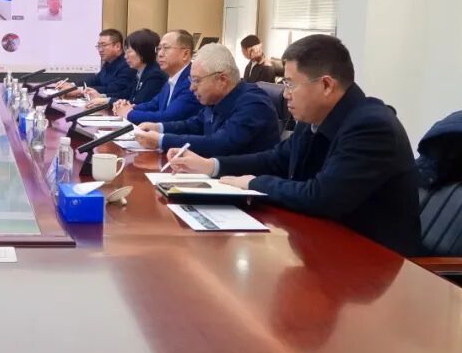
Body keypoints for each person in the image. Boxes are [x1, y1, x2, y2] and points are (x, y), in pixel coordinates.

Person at [168, 35, 421, 255]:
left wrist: (253, 183)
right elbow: (276, 159)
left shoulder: (371, 127)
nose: (285, 93)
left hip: (372, 261)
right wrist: (211, 166)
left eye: (290, 84)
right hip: (321, 242)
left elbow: (322, 197)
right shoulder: (313, 119)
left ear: (326, 85)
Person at [129, 43, 280, 156]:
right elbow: (194, 125)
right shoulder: (216, 99)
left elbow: (220, 143)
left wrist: (162, 140)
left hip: (245, 184)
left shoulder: (253, 104)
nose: (191, 87)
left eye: (197, 80)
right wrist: (159, 128)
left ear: (222, 79)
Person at [114, 29, 200, 125]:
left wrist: (129, 113)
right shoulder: (172, 78)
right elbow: (153, 104)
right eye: (159, 49)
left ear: (185, 54)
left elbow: (169, 117)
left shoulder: (192, 81)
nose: (160, 54)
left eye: (166, 48)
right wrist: (127, 107)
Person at [100, 29, 166, 109]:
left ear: (143, 52)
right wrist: (103, 97)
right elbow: (126, 94)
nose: (125, 56)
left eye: (129, 52)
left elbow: (138, 104)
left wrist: (107, 100)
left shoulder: (154, 76)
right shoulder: (140, 72)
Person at [60, 29, 132, 101]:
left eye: (104, 45)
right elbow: (95, 80)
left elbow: (113, 89)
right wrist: (72, 85)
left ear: (117, 46)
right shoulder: (108, 62)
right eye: (99, 46)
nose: (100, 50)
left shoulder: (127, 64)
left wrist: (81, 90)